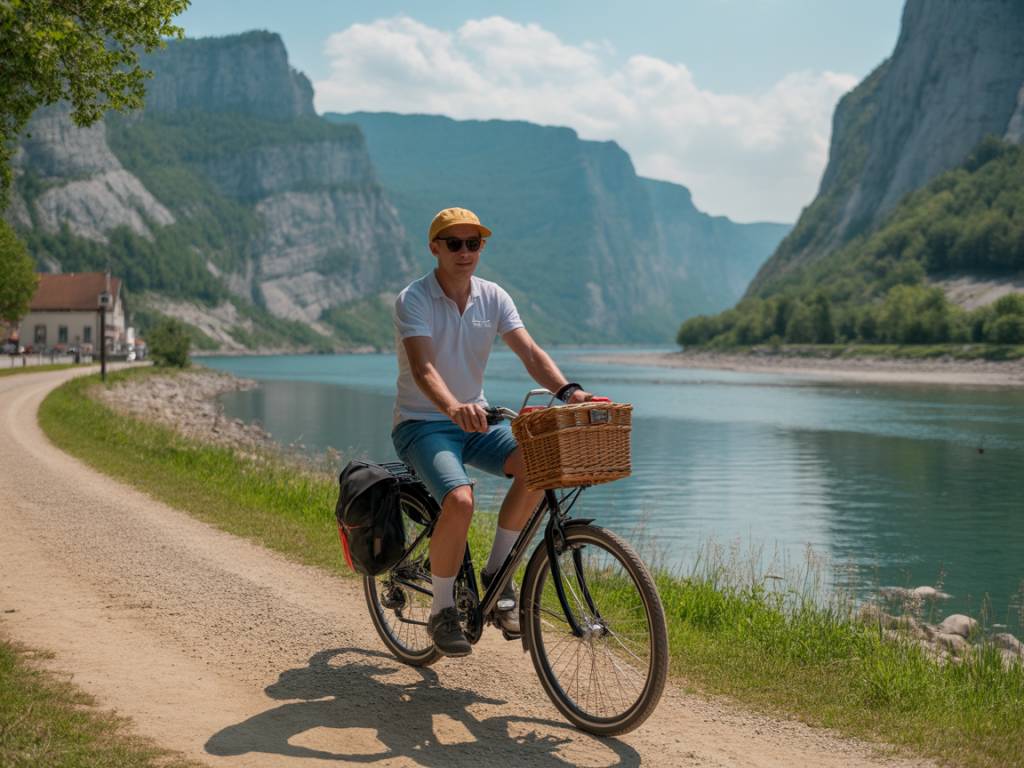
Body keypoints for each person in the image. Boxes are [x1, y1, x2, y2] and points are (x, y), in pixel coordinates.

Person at [391, 207, 593, 657]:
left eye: (474, 243)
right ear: (435, 248)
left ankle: (498, 571)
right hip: (423, 424)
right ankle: (442, 611)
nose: (465, 252)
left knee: (540, 467)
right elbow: (423, 367)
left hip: (477, 420)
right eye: (454, 243)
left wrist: (567, 390)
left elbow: (530, 352)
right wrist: (452, 407)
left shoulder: (493, 296)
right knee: (460, 500)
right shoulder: (415, 298)